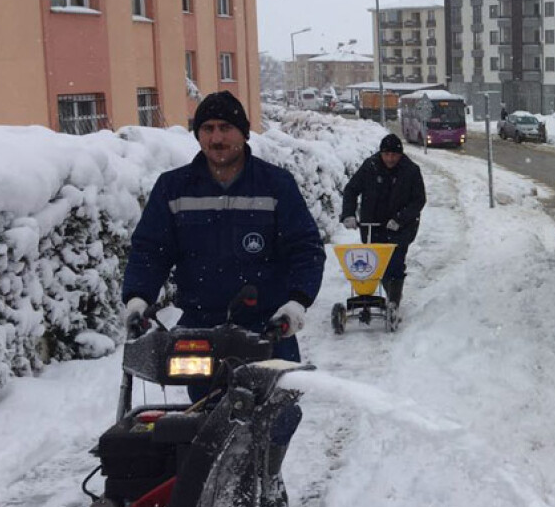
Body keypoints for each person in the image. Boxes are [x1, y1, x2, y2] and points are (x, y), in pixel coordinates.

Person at [121, 90, 325, 468]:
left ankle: (265, 478)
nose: (217, 138)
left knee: (279, 414)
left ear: (244, 133)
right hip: (200, 329)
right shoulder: (174, 187)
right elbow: (150, 249)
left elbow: (305, 248)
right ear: (198, 135)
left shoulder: (275, 185)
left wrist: (296, 302)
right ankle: (212, 488)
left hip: (267, 330)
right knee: (207, 416)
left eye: (226, 128)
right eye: (208, 129)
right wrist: (138, 298)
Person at [340, 134, 427, 310]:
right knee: (376, 264)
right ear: (380, 153)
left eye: (394, 155)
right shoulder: (370, 167)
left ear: (400, 155)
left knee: (394, 263)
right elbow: (351, 190)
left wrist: (399, 219)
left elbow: (419, 200)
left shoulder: (411, 171)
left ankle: (394, 300)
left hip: (400, 228)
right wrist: (348, 214)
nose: (390, 159)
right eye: (386, 154)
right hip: (373, 226)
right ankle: (387, 292)